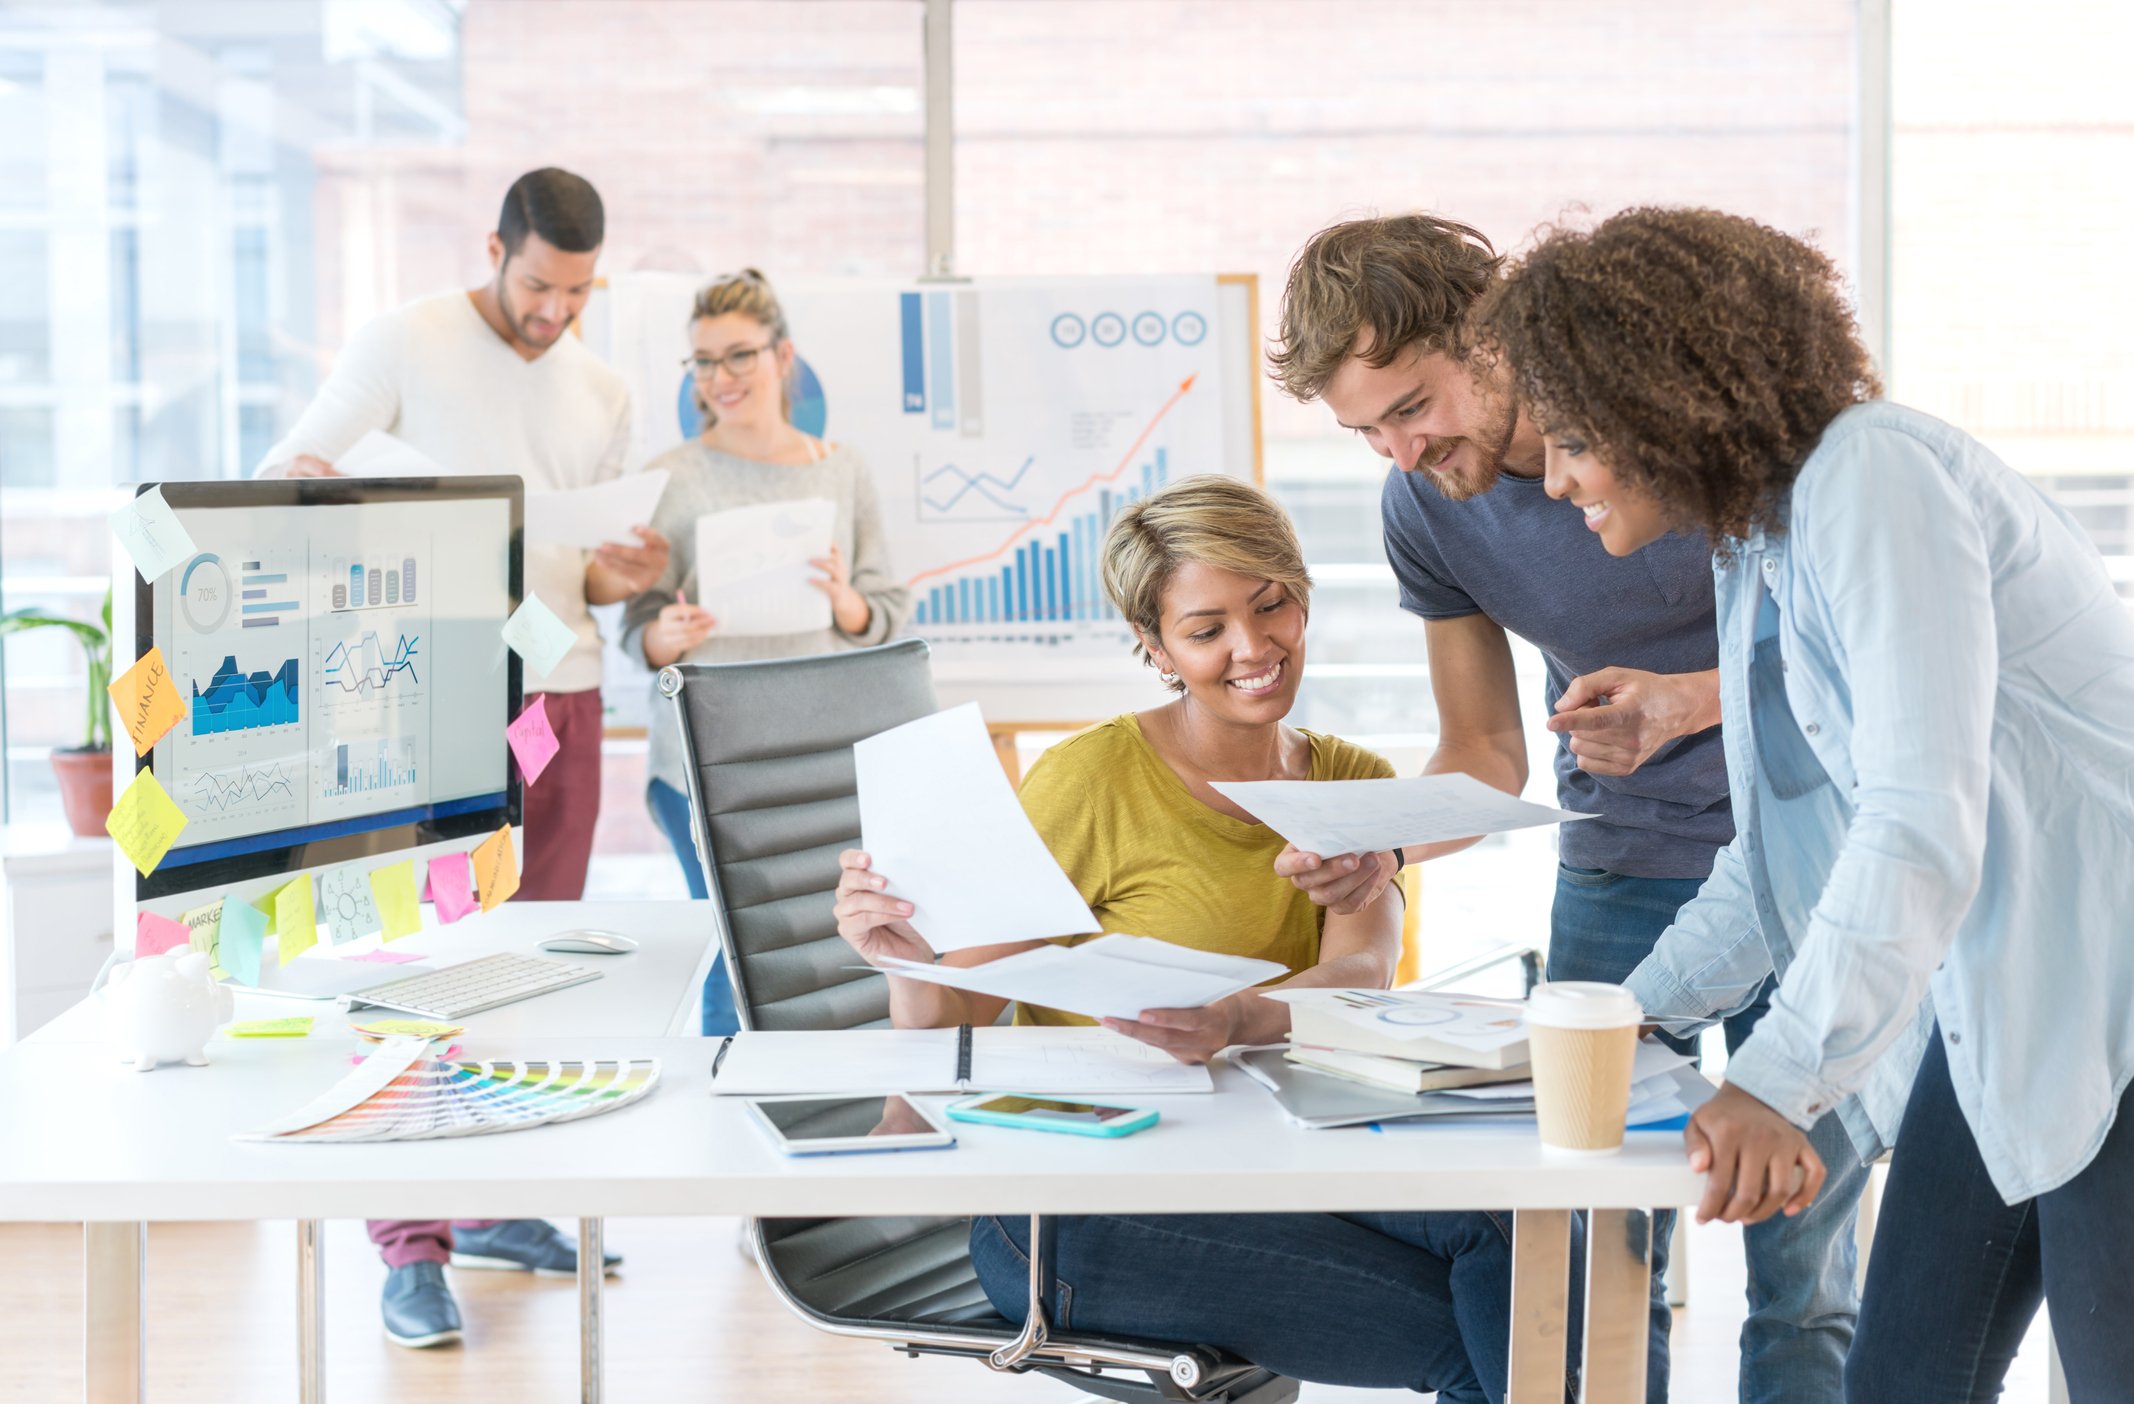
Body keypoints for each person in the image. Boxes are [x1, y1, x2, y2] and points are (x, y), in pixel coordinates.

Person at [1468, 204, 2134, 1401]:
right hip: (2007, 1007)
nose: (1555, 476)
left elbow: (1917, 820)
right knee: (1901, 1379)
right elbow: (1783, 853)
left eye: (1571, 439)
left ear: (1661, 397)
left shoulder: (1871, 476)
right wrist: (1624, 1021)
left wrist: (1773, 1079)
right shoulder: (1760, 539)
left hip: (2114, 1000)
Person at [1267, 214, 1872, 1402]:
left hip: (1811, 863)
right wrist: (1381, 846)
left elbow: (1853, 659)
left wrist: (1690, 701)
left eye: (1412, 404)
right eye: (1365, 431)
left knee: (1801, 1263)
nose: (1399, 450)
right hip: (1617, 872)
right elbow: (1485, 752)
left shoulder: (1680, 417)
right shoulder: (1424, 510)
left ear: (1489, 336)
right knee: (1590, 1243)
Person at [831, 475, 1524, 1401]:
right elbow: (957, 1012)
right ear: (1157, 650)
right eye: (1206, 631)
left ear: (1301, 594)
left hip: (1265, 1150)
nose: (1253, 648)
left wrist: (1241, 1016)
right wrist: (908, 966)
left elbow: (1362, 969)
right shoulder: (1091, 781)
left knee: (1518, 1241)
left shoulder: (1350, 781)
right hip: (1079, 1205)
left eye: (1271, 605)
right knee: (1476, 1333)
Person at [256, 168, 650, 1347]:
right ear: (495, 248)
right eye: (538, 285)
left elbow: (586, 569)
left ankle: (488, 1200)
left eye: (578, 292)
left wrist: (616, 578)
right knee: (420, 968)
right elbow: (291, 471)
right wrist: (336, 498)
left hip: (563, 695)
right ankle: (409, 1247)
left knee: (526, 963)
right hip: (424, 702)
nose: (555, 313)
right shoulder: (404, 340)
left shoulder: (603, 385)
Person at [620, 269, 909, 1036]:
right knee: (731, 957)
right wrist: (664, 638)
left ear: (783, 356)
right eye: (704, 363)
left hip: (813, 760)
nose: (721, 379)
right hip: (701, 758)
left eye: (738, 356)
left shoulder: (841, 469)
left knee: (827, 957)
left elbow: (885, 612)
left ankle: (821, 1111)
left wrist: (845, 601)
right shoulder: (667, 478)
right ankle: (733, 1125)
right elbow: (636, 627)